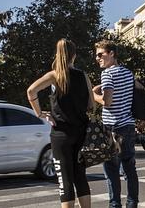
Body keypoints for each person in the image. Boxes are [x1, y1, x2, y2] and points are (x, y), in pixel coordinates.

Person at [26, 39, 93, 208]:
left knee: (65, 179)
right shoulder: (83, 75)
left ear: (58, 55)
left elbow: (31, 91)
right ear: (74, 56)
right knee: (80, 176)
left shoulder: (54, 75)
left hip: (60, 134)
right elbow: (91, 104)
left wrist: (40, 113)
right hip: (81, 133)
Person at [92, 40, 139, 208]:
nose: (97, 58)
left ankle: (115, 205)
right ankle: (132, 204)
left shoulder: (107, 74)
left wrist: (93, 95)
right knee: (129, 169)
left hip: (112, 128)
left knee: (111, 171)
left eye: (100, 54)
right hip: (128, 126)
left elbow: (108, 101)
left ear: (111, 53)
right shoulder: (128, 73)